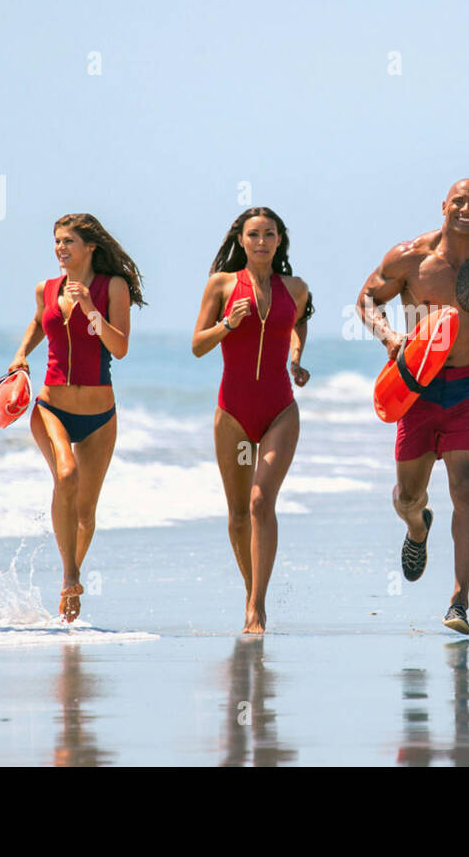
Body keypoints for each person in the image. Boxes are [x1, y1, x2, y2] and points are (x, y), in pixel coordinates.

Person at [357, 178, 469, 635]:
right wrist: (391, 336)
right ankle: (417, 528)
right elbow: (368, 299)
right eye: (459, 201)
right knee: (408, 495)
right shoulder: (410, 258)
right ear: (444, 207)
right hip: (418, 386)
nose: (466, 209)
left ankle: (459, 602)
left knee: (467, 491)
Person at [8, 214, 145, 622]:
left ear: (90, 247)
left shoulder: (112, 287)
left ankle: (71, 580)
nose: (60, 248)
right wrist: (20, 356)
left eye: (69, 241)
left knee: (86, 510)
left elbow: (119, 348)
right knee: (65, 476)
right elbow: (38, 322)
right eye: (57, 241)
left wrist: (89, 308)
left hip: (100, 414)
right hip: (51, 406)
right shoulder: (46, 289)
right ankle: (70, 575)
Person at [192, 208, 312, 634]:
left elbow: (299, 324)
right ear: (241, 241)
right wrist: (228, 323)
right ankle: (251, 592)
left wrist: (296, 361)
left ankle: (257, 608)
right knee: (240, 513)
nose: (261, 242)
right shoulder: (222, 286)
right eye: (253, 235)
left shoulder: (295, 288)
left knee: (263, 501)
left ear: (280, 241)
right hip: (233, 415)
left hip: (280, 409)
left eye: (269, 235)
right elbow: (197, 346)